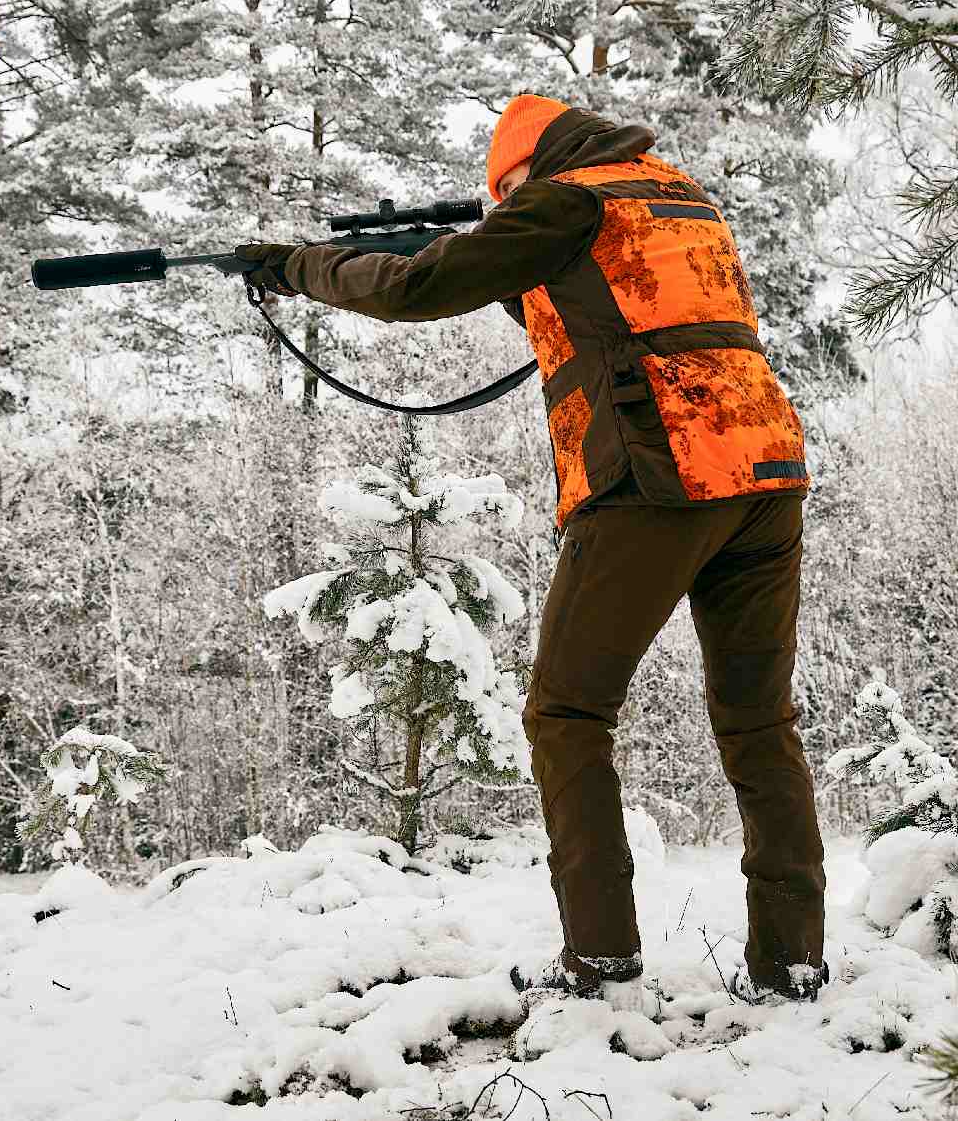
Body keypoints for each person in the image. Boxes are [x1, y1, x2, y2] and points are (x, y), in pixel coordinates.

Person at [237, 93, 830, 1011]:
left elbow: (413, 291)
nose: (501, 204)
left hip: (654, 476)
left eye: (502, 190)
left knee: (567, 714)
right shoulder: (676, 196)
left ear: (528, 167)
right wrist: (473, 253)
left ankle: (599, 958)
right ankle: (790, 962)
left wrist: (299, 268)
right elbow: (606, 314)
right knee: (758, 722)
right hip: (765, 471)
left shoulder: (564, 201)